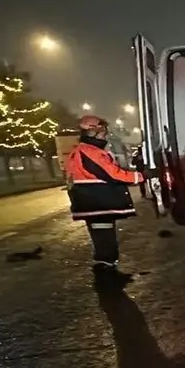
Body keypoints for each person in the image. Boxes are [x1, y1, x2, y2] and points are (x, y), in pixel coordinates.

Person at [64, 114, 145, 286]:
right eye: (102, 132)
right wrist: (140, 176)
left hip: (91, 201)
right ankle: (107, 276)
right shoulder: (90, 151)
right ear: (93, 132)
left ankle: (107, 270)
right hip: (98, 201)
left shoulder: (81, 150)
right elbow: (112, 173)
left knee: (101, 237)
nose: (105, 135)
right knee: (105, 238)